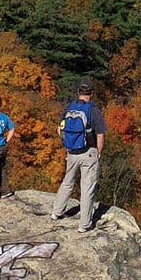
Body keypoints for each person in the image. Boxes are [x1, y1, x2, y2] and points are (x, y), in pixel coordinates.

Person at [50, 78, 107, 232]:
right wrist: (99, 152)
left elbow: (59, 129)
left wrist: (68, 143)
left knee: (68, 182)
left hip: (72, 152)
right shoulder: (93, 110)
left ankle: (56, 212)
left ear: (78, 92)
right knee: (87, 188)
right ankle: (84, 225)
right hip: (89, 152)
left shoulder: (69, 107)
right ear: (91, 93)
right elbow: (100, 135)